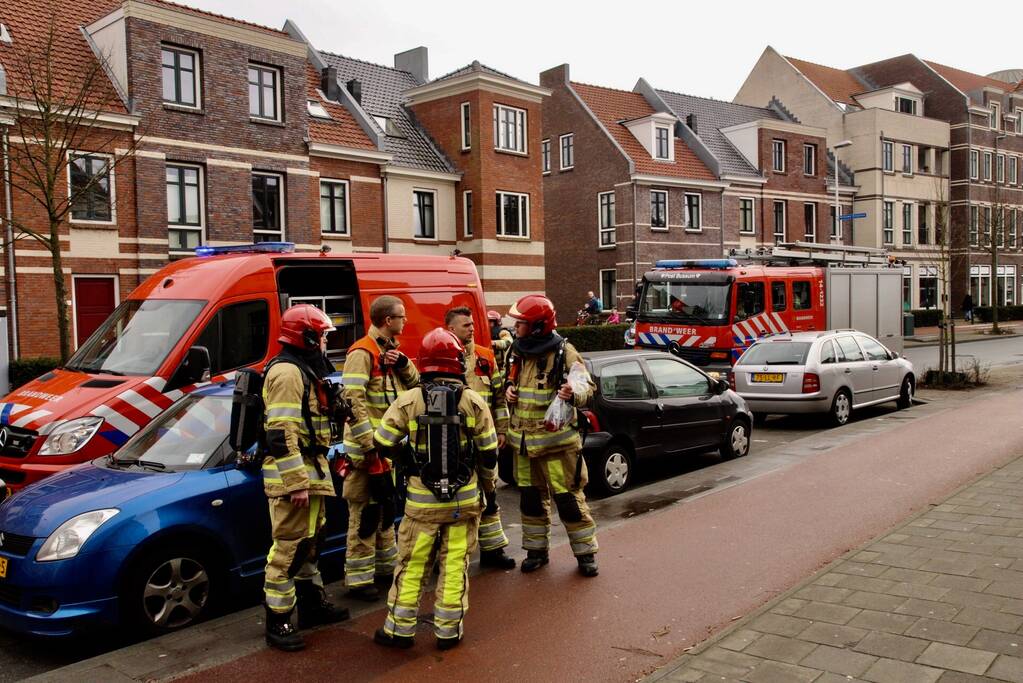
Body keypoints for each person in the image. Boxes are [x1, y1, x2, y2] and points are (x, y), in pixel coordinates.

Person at [372, 328, 499, 650]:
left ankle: (399, 630)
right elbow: (489, 454)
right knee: (455, 565)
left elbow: (382, 441)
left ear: (424, 363)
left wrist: (408, 458)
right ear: (456, 362)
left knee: (413, 565)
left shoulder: (409, 399)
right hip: (463, 503)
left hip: (421, 506)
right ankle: (448, 631)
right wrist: (489, 491)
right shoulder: (473, 401)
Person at [261, 304, 350, 651]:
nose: (327, 341)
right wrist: (296, 482)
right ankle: (278, 621)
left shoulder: (305, 369)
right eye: (324, 335)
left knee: (311, 543)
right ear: (309, 336)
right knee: (288, 549)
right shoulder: (286, 373)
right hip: (294, 477)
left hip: (312, 470)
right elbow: (280, 433)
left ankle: (312, 607)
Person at [505, 294, 599, 577]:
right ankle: (536, 552)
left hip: (556, 447)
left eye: (520, 323)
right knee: (531, 501)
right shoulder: (516, 351)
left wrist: (574, 392)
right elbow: (509, 380)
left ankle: (585, 555)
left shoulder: (564, 352)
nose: (515, 327)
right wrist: (507, 390)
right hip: (523, 445)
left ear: (536, 326)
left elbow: (588, 388)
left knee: (569, 502)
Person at [340, 296, 419, 601]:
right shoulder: (362, 352)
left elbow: (414, 388)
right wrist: (368, 444)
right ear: (388, 320)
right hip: (367, 453)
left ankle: (385, 569)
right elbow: (353, 401)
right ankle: (359, 581)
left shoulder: (391, 351)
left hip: (388, 451)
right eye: (402, 316)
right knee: (365, 515)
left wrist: (403, 363)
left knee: (386, 511)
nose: (406, 320)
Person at [445, 307, 515, 569]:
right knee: (457, 498)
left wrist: (502, 429)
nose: (472, 329)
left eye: (472, 324)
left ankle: (493, 550)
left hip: (484, 440)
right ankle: (454, 557)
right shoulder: (445, 355)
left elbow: (498, 397)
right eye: (466, 325)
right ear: (451, 329)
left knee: (490, 493)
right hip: (455, 443)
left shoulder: (485, 357)